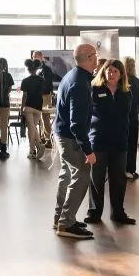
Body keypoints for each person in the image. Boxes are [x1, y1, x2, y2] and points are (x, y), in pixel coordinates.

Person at [53, 43, 98, 240]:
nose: (97, 58)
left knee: (66, 175)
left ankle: (60, 217)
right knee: (81, 174)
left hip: (62, 135)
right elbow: (77, 124)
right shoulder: (80, 83)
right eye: (95, 55)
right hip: (71, 139)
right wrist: (88, 150)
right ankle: (66, 222)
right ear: (89, 58)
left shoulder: (73, 76)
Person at [85, 59, 136, 226]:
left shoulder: (126, 92)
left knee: (118, 179)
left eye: (115, 71)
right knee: (96, 178)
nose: (111, 74)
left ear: (121, 74)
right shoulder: (94, 89)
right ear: (103, 72)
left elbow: (128, 117)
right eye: (109, 70)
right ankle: (94, 212)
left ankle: (118, 213)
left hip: (120, 142)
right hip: (98, 140)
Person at [124, 57, 139, 179]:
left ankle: (115, 169)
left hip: (116, 117)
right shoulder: (135, 81)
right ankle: (130, 170)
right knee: (131, 143)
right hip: (131, 116)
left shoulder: (117, 79)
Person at [21, 59, 47, 160]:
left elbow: (25, 96)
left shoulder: (25, 81)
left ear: (28, 69)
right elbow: (43, 93)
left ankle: (38, 145)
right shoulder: (42, 80)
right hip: (38, 107)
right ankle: (32, 151)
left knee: (31, 128)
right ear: (36, 69)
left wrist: (21, 108)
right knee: (33, 128)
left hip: (29, 106)